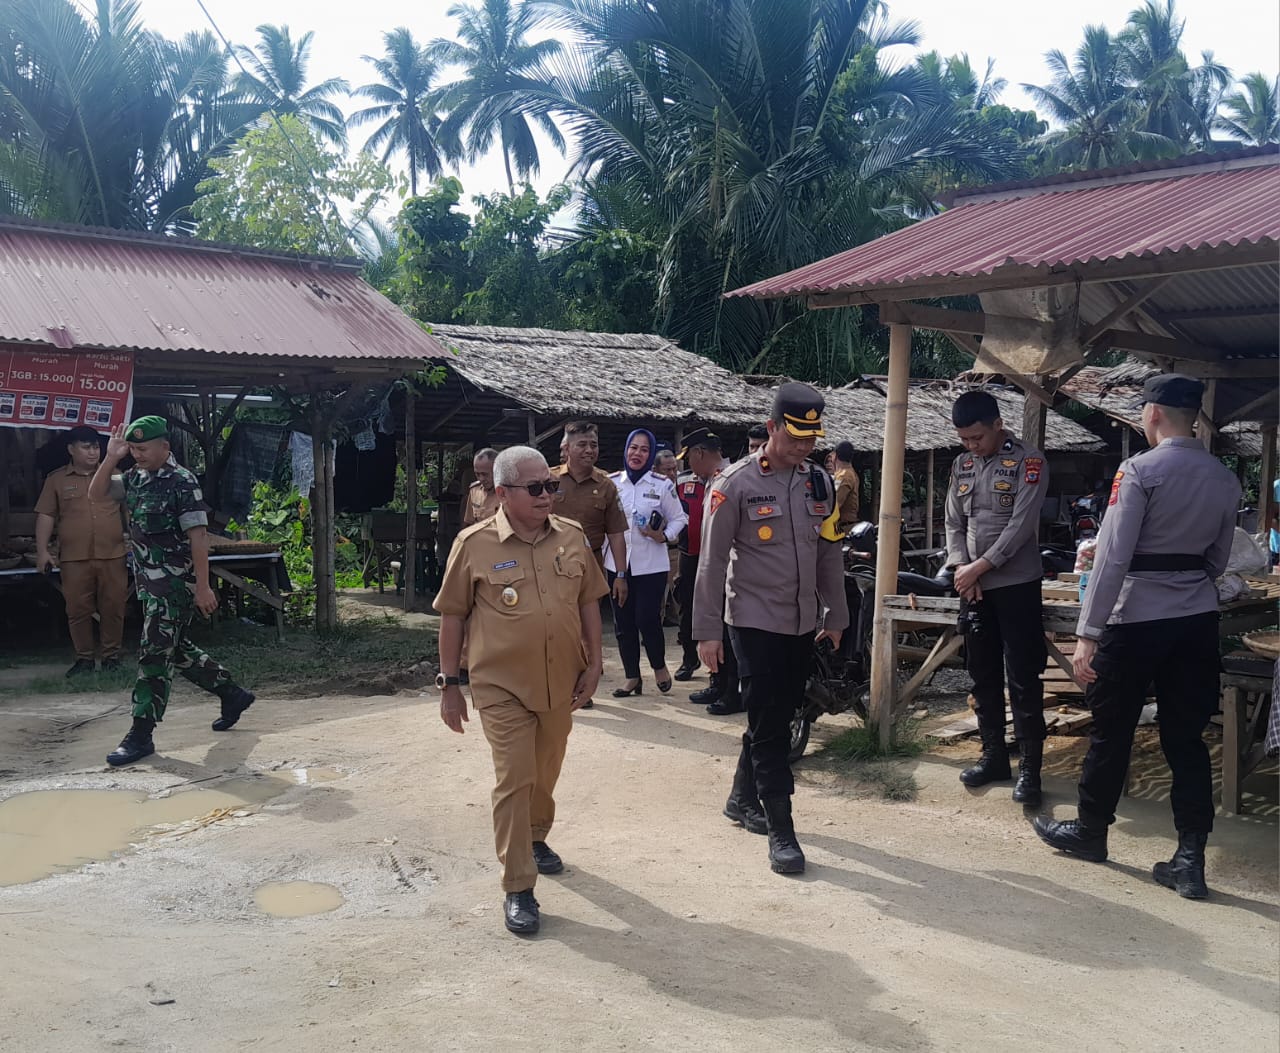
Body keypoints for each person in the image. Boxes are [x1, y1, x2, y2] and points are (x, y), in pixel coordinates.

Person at [1035, 375, 1240, 900]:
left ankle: (1090, 832)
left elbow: (1112, 558)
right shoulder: (1224, 478)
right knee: (1186, 739)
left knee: (1112, 730)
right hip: (1196, 620)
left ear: (1151, 414)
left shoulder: (1138, 471)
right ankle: (1190, 859)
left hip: (1135, 619)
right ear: (1190, 414)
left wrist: (1088, 632)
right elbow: (1218, 560)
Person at [433, 445, 608, 935]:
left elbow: (590, 601)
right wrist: (449, 683)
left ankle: (535, 836)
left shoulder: (571, 537)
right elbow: (452, 615)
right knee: (515, 777)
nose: (547, 495)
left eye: (550, 486)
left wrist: (595, 664)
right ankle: (518, 887)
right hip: (500, 684)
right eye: (536, 488)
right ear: (503, 493)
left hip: (561, 681)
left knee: (546, 769)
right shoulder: (474, 544)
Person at [694, 383, 849, 872]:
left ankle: (741, 798)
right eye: (795, 437)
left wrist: (837, 613)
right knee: (771, 726)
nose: (803, 447)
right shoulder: (734, 484)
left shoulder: (819, 483)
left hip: (802, 622)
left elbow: (828, 553)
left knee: (775, 717)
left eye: (811, 439)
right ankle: (782, 831)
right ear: (771, 428)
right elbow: (711, 563)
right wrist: (707, 632)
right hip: (753, 620)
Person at [89, 416, 255, 767]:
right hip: (148, 583)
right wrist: (110, 458)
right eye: (133, 448)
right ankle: (231, 693)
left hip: (174, 584)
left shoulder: (182, 482)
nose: (137, 454)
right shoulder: (134, 478)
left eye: (143, 448)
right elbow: (97, 493)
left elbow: (198, 537)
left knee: (153, 652)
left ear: (165, 447)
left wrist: (203, 586)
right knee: (172, 648)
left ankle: (140, 734)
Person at [944, 390, 1049, 806]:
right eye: (965, 439)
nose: (971, 446)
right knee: (981, 674)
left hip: (1017, 585)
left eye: (977, 438)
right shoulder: (961, 464)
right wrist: (960, 569)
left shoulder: (1030, 461)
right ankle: (993, 756)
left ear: (997, 424)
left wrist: (980, 567)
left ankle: (1031, 770)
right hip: (973, 587)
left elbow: (1021, 526)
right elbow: (953, 520)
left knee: (1024, 679)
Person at [34, 425, 128, 677]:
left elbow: (127, 512)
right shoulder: (56, 480)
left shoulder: (115, 476)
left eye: (96, 447)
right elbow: (46, 515)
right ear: (71, 449)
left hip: (113, 553)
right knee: (77, 609)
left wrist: (134, 541)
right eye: (86, 447)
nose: (93, 452)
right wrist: (42, 550)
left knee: (114, 606)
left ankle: (111, 657)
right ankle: (84, 659)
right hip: (74, 556)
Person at [605, 430, 688, 696]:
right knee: (623, 622)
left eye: (643, 449)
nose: (637, 454)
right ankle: (632, 677)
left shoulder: (661, 484)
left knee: (647, 618)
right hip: (617, 564)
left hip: (651, 565)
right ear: (626, 450)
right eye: (633, 448)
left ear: (650, 454)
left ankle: (659, 666)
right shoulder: (612, 483)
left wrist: (663, 535)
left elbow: (680, 518)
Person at [460, 448, 500, 528]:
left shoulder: (509, 494)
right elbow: (468, 522)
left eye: (485, 474)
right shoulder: (474, 491)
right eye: (477, 474)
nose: (481, 479)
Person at [832, 441, 861, 531]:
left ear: (835, 456)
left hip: (844, 527)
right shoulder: (851, 473)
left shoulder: (844, 476)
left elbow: (835, 504)